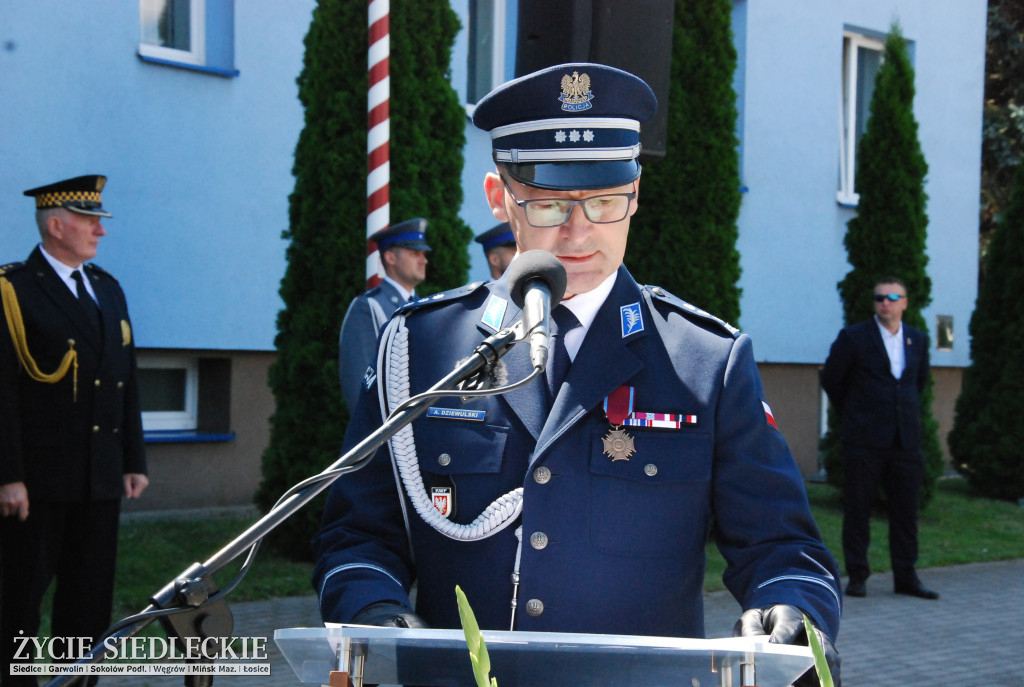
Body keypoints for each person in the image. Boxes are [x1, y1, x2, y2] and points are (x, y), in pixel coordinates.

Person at [314, 64, 840, 686]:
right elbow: (356, 533)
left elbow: (784, 550)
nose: (579, 229)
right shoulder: (420, 347)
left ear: (636, 195)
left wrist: (793, 612)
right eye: (548, 202)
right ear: (498, 196)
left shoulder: (704, 361)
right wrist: (374, 609)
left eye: (604, 200)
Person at [0, 175, 149, 684]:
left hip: (99, 477)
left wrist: (133, 459)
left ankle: (77, 681)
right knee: (19, 600)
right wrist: (8, 474)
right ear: (56, 224)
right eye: (90, 222)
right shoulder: (13, 290)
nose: (100, 232)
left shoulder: (107, 288)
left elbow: (123, 378)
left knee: (88, 602)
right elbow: (3, 394)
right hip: (36, 482)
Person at [821, 276, 937, 600]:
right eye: (879, 297)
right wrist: (857, 412)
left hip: (906, 441)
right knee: (858, 509)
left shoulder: (918, 339)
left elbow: (918, 383)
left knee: (906, 512)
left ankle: (906, 577)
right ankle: (857, 576)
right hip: (864, 439)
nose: (885, 302)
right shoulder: (854, 337)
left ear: (904, 303)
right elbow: (832, 379)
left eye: (892, 296)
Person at [337, 218, 431, 409]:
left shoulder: (424, 307)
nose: (424, 260)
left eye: (423, 253)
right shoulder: (369, 307)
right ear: (390, 258)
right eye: (415, 253)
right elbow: (359, 383)